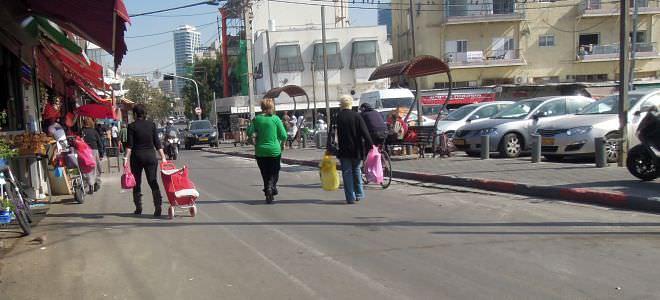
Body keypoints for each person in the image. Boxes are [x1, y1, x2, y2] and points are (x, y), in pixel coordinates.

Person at [125, 104, 167, 217]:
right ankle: (158, 207)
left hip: (137, 157)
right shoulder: (152, 125)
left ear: (134, 114)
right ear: (144, 114)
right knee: (153, 181)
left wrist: (125, 158)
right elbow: (157, 143)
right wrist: (163, 157)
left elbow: (130, 145)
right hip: (150, 157)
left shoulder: (131, 126)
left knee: (136, 182)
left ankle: (138, 208)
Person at [247, 98, 287, 204]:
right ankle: (271, 186)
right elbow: (283, 135)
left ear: (262, 107)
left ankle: (268, 190)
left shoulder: (256, 119)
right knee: (275, 171)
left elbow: (249, 132)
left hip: (260, 151)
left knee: (265, 173)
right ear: (272, 107)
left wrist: (255, 135)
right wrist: (283, 144)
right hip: (274, 151)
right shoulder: (276, 119)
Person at [334, 95, 373, 204]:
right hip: (357, 150)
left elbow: (333, 134)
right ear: (351, 104)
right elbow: (364, 132)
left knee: (347, 173)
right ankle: (359, 193)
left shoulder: (338, 117)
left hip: (343, 150)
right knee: (356, 170)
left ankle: (350, 197)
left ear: (341, 105)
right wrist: (371, 145)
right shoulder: (357, 116)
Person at [81, 117, 103, 194]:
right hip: (94, 150)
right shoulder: (94, 131)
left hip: (84, 151)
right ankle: (96, 183)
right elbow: (100, 143)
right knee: (96, 167)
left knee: (87, 168)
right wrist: (101, 153)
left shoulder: (82, 132)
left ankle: (90, 184)